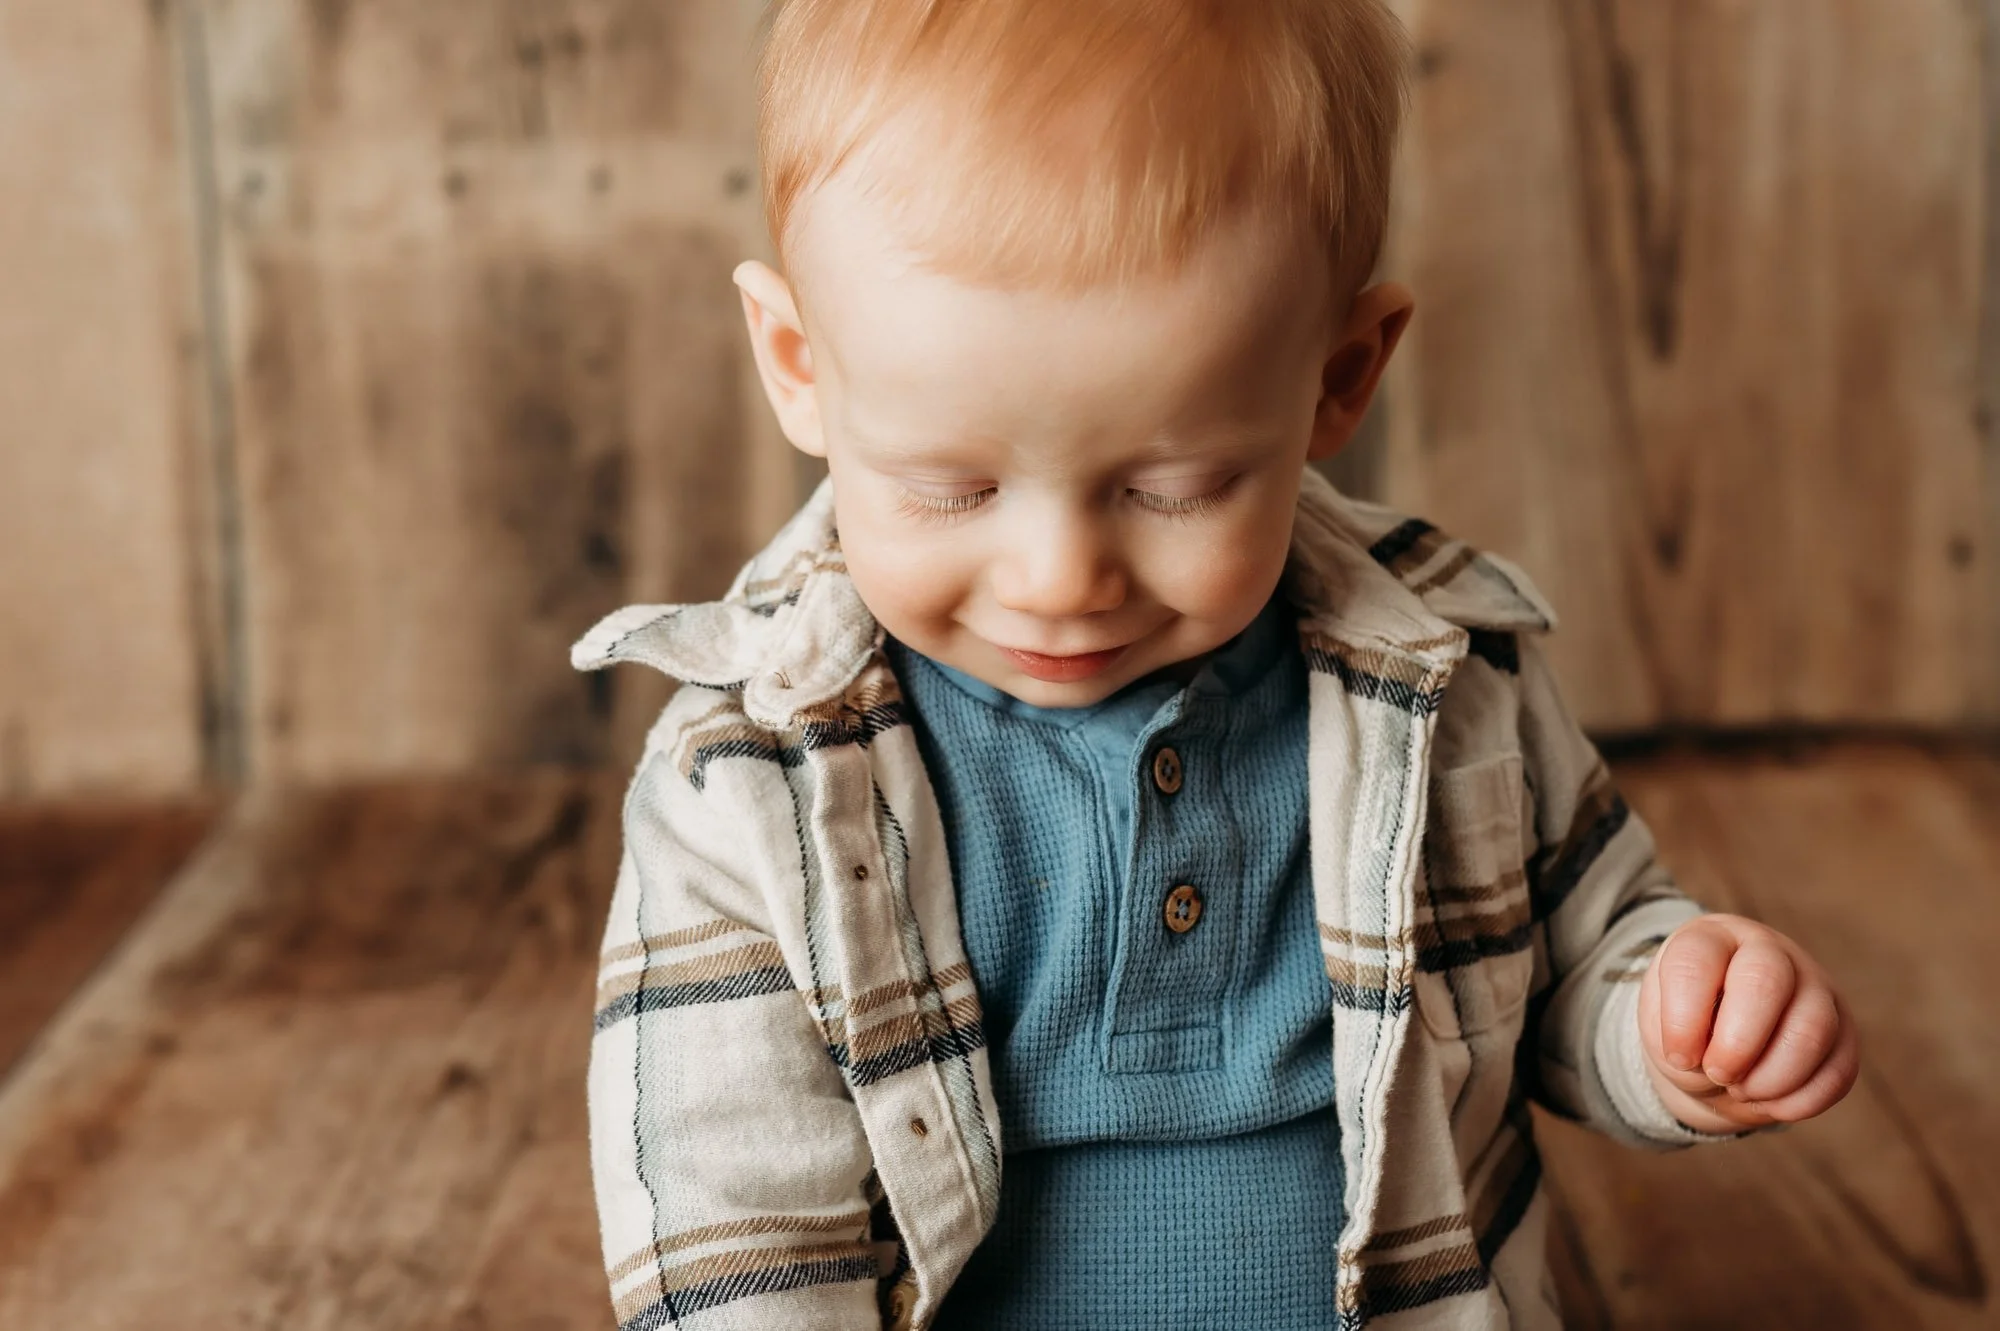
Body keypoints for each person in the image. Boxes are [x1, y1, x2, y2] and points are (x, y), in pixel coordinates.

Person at [570, 2, 1859, 1326]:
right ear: (800, 367)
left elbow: (1583, 957)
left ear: (1335, 379)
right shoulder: (756, 790)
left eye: (1172, 486)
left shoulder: (1444, 683)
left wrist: (1676, 1026)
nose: (1060, 578)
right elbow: (735, 1233)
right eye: (951, 489)